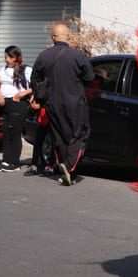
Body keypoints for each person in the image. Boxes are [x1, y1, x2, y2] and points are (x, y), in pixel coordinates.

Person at [30, 23, 94, 186]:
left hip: (52, 104)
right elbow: (89, 77)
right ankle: (69, 166)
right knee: (79, 135)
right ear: (68, 36)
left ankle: (65, 169)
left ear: (53, 37)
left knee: (59, 137)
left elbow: (34, 79)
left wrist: (39, 98)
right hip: (75, 104)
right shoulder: (77, 55)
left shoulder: (43, 56)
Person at [0, 45, 32, 172]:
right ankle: (6, 160)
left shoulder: (26, 70)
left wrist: (21, 94)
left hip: (18, 103)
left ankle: (14, 163)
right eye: (6, 57)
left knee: (15, 132)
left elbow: (35, 86)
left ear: (17, 57)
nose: (7, 59)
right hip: (5, 103)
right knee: (6, 132)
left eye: (10, 57)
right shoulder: (3, 69)